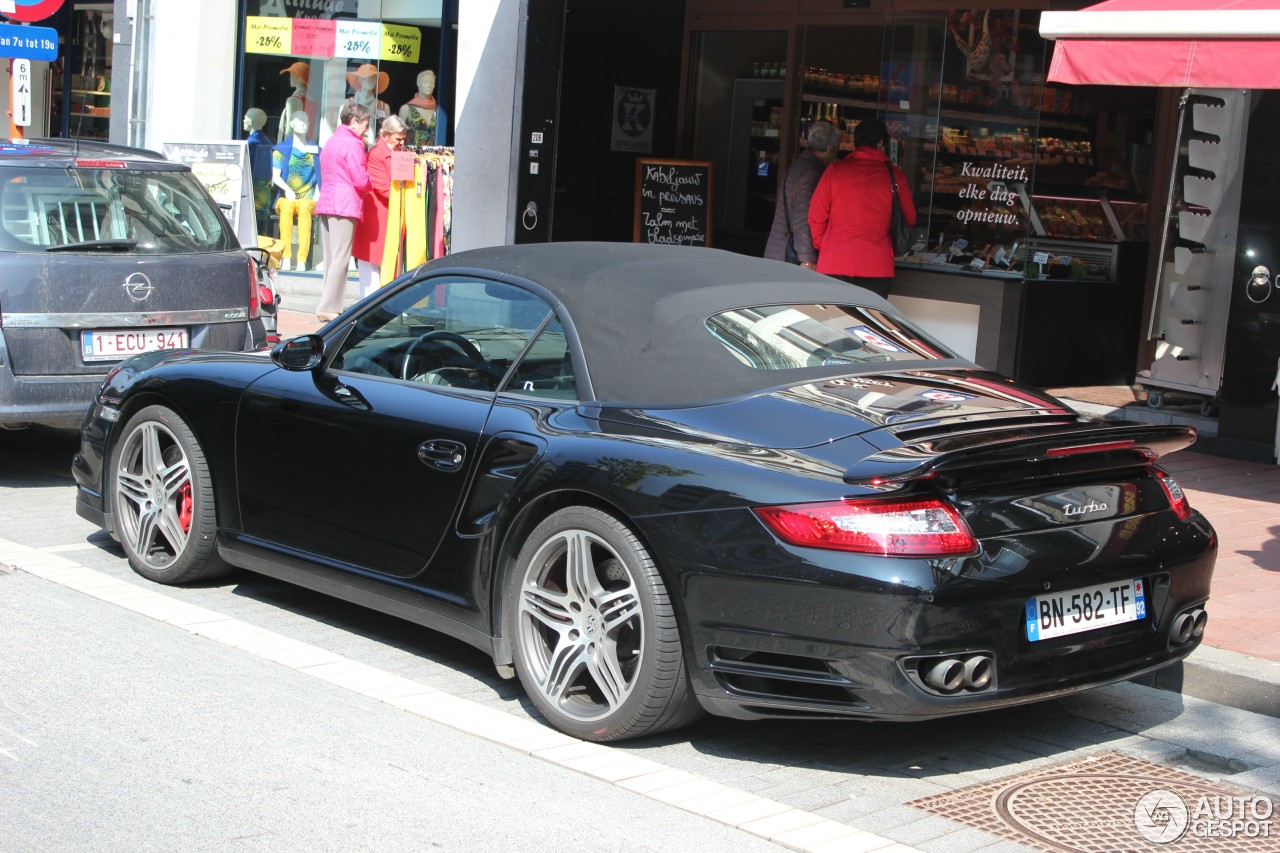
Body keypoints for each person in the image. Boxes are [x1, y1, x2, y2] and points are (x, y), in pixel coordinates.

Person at [808, 117, 916, 300]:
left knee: (834, 324)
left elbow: (815, 216)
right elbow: (910, 218)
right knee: (869, 325)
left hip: (834, 262)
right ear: (882, 144)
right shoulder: (895, 176)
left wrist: (824, 245)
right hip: (876, 266)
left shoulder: (835, 170)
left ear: (855, 142)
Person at [314, 102, 372, 322]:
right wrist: (371, 182)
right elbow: (360, 179)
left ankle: (327, 303)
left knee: (331, 258)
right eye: (365, 124)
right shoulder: (353, 144)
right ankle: (329, 306)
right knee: (341, 257)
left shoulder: (331, 141)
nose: (366, 129)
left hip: (327, 201)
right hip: (345, 203)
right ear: (354, 121)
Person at [763, 120, 841, 270]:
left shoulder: (799, 166)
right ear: (831, 149)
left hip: (778, 249)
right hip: (789, 257)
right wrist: (807, 259)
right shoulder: (812, 174)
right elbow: (803, 218)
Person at [352, 114, 407, 297]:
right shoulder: (376, 154)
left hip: (390, 213)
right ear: (386, 135)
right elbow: (383, 188)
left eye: (403, 138)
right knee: (371, 265)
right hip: (377, 214)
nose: (401, 141)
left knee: (386, 261)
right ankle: (368, 303)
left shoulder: (398, 152)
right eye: (398, 138)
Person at [270, 113, 319, 272]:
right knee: (286, 207)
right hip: (286, 197)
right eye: (299, 120)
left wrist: (318, 193)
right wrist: (287, 189)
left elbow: (321, 175)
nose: (303, 123)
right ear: (291, 123)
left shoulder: (316, 152)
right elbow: (275, 176)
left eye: (306, 120)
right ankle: (285, 256)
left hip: (307, 198)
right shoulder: (281, 150)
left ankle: (301, 260)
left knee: (304, 207)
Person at [398, 69, 448, 148]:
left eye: (432, 82)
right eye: (426, 82)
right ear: (418, 83)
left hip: (434, 157)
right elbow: (398, 136)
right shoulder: (406, 109)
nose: (429, 85)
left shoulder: (439, 111)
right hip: (411, 156)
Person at [243, 108, 274, 232]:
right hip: (264, 195)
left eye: (245, 117)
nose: (243, 120)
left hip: (252, 193)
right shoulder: (267, 141)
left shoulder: (251, 143)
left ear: (250, 121)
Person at [346, 63, 390, 145]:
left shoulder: (384, 107)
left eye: (373, 78)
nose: (370, 80)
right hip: (352, 147)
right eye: (366, 78)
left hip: (375, 151)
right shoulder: (347, 104)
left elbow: (386, 134)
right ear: (360, 79)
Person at [278, 61, 313, 142]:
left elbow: (290, 129)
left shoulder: (293, 101)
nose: (290, 78)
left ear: (299, 77)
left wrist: (285, 148)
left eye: (291, 75)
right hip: (308, 143)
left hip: (294, 145)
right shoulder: (312, 101)